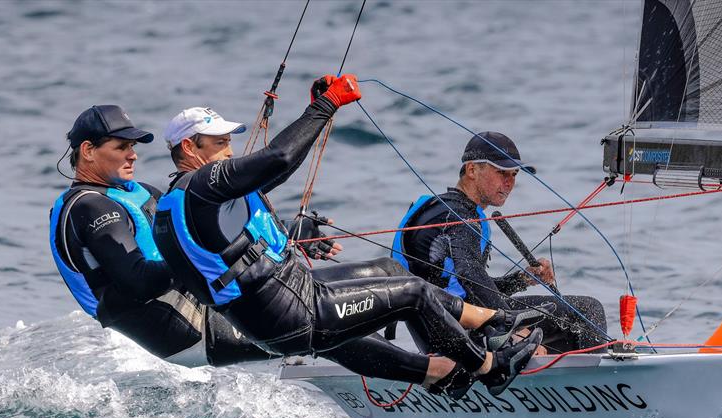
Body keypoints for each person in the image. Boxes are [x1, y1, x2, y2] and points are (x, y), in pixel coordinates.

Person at [152, 75, 544, 399]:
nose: (229, 151)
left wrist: (298, 233)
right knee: (413, 293)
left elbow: (240, 239)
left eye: (229, 141)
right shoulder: (203, 186)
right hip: (290, 310)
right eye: (219, 143)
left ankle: (456, 353)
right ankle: (491, 367)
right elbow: (278, 159)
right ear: (189, 147)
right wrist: (325, 107)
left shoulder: (177, 203)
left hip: (278, 305)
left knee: (391, 271)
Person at [50, 104, 281, 367]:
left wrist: (292, 233)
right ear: (88, 151)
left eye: (133, 147)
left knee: (310, 300)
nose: (133, 155)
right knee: (313, 323)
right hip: (181, 333)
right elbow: (140, 282)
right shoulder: (89, 207)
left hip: (201, 310)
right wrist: (206, 257)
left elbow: (209, 231)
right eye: (122, 147)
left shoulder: (139, 192)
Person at [392, 131, 608, 353]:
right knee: (586, 310)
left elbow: (465, 287)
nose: (509, 183)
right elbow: (470, 275)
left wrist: (522, 279)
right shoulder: (459, 217)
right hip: (458, 336)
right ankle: (605, 382)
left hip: (441, 331)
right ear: (472, 170)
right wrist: (509, 328)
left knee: (570, 332)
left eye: (514, 174)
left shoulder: (441, 209)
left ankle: (568, 380)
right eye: (502, 173)